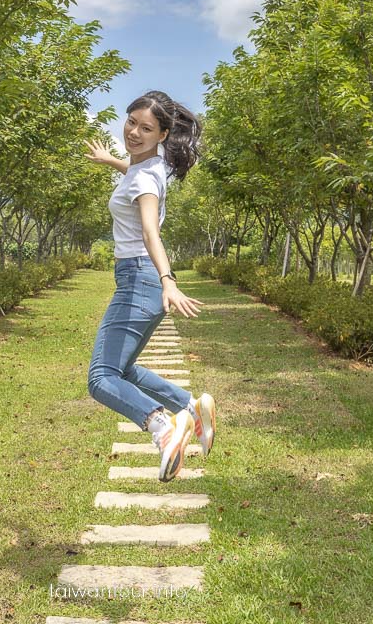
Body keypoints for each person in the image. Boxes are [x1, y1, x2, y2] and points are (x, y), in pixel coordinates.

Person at [84, 90, 217, 482]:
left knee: (102, 378)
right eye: (131, 123)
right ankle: (190, 407)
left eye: (146, 128)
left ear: (162, 134)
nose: (134, 132)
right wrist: (111, 161)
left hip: (139, 278)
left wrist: (168, 280)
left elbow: (148, 230)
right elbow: (135, 174)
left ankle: (164, 427)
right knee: (122, 369)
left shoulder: (144, 177)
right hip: (136, 278)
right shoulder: (150, 166)